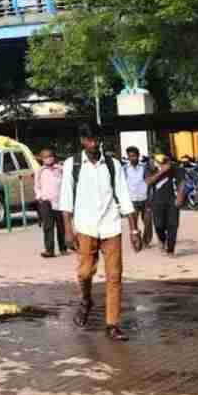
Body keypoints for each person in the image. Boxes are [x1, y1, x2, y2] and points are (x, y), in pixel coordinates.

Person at [60, 126, 140, 341]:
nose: (93, 144)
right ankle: (86, 300)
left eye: (96, 139)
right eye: (88, 140)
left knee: (114, 277)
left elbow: (124, 197)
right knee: (85, 273)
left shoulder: (113, 165)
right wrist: (68, 231)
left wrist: (134, 229)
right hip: (85, 227)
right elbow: (66, 199)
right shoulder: (72, 165)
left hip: (111, 226)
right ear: (82, 141)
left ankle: (112, 324)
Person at [145, 154, 185, 254]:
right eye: (160, 162)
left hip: (172, 201)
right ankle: (162, 240)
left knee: (173, 225)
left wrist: (180, 196)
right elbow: (148, 181)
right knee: (159, 225)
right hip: (157, 201)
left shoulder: (175, 168)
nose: (164, 163)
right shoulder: (150, 168)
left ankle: (170, 250)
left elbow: (181, 182)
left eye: (165, 161)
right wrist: (162, 171)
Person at [32, 149, 67, 258]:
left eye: (50, 156)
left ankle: (63, 247)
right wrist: (39, 197)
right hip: (46, 202)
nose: (49, 158)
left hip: (60, 201)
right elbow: (37, 186)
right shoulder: (40, 171)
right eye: (46, 157)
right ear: (42, 159)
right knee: (48, 226)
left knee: (61, 226)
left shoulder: (60, 169)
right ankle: (49, 250)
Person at [123, 146, 153, 247]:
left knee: (148, 221)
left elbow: (149, 182)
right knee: (133, 223)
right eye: (130, 156)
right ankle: (137, 240)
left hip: (144, 199)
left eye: (134, 156)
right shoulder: (125, 169)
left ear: (138, 156)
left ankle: (146, 241)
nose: (133, 158)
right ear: (128, 157)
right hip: (132, 200)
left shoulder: (144, 167)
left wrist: (150, 197)